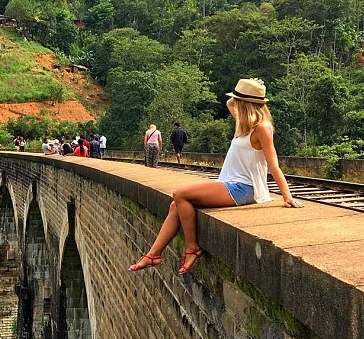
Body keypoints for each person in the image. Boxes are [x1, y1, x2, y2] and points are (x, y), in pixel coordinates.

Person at [129, 78, 304, 274]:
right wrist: (246, 87)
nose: (234, 103)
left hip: (244, 188)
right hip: (230, 184)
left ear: (245, 104)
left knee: (180, 194)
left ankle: (192, 248)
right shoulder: (244, 123)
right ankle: (153, 254)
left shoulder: (261, 128)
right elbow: (229, 102)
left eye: (238, 100)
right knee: (175, 204)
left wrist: (287, 197)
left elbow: (273, 165)